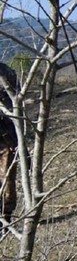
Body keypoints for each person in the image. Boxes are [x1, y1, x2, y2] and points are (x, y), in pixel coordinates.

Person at [0, 62, 19, 225]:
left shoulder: (6, 73)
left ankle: (6, 218)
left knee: (7, 179)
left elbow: (15, 105)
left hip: (7, 138)